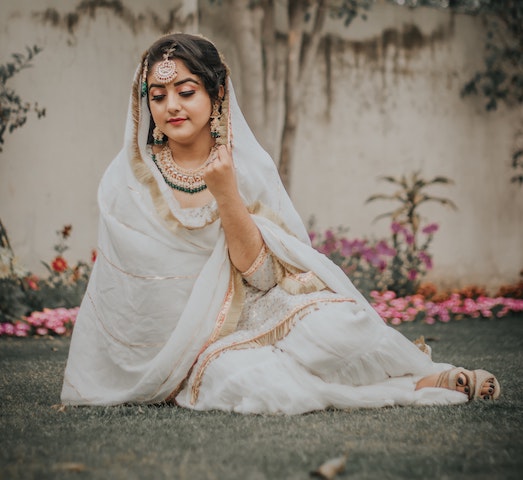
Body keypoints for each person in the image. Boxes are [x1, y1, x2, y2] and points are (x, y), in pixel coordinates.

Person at [61, 33, 500, 413]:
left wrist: (226, 192)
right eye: (158, 96)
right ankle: (410, 389)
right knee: (265, 388)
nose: (171, 105)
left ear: (216, 96)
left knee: (341, 330)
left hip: (262, 307)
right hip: (192, 347)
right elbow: (133, 302)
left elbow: (266, 275)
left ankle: (418, 374)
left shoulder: (248, 170)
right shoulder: (127, 184)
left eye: (186, 90)